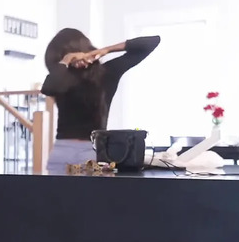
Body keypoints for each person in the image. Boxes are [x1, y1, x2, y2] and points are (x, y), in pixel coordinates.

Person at [40, 29, 161, 175]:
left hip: (92, 152)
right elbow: (47, 88)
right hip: (63, 151)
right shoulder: (62, 79)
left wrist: (106, 50)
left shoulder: (107, 73)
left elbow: (152, 42)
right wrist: (65, 61)